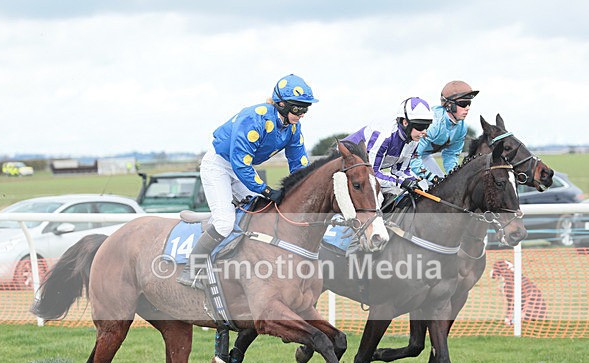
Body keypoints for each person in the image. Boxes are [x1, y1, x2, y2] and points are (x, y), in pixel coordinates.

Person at [177, 73, 319, 287]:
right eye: (298, 108)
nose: (302, 114)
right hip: (219, 165)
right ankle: (192, 268)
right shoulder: (255, 117)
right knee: (225, 223)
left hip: (240, 169)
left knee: (263, 213)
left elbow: (300, 164)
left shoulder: (293, 128)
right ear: (281, 104)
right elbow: (240, 163)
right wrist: (266, 190)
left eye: (305, 108)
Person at [343, 97, 433, 197]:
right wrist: (401, 182)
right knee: (382, 197)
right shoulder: (383, 136)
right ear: (405, 122)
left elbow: (400, 171)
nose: (424, 132)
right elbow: (371, 174)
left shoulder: (413, 140)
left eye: (427, 126)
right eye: (420, 127)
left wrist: (417, 181)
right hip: (342, 165)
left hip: (362, 171)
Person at [410, 80, 479, 179]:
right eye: (463, 103)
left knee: (442, 187)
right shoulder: (434, 124)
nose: (467, 108)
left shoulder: (462, 127)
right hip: (405, 157)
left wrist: (455, 177)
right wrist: (431, 177)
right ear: (449, 105)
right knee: (424, 188)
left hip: (424, 157)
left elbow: (451, 154)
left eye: (469, 103)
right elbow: (413, 156)